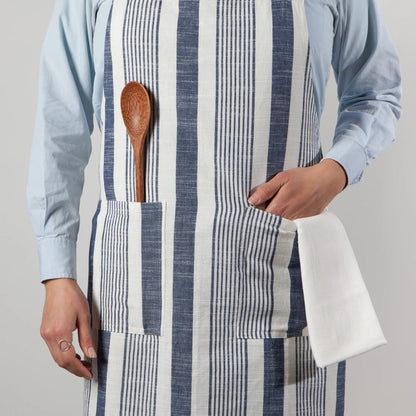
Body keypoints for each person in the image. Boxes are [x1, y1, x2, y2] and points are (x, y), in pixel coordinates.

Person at [26, 0, 402, 414]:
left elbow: (377, 90)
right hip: (137, 303)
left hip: (272, 295)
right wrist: (57, 273)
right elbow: (59, 125)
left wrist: (336, 171)